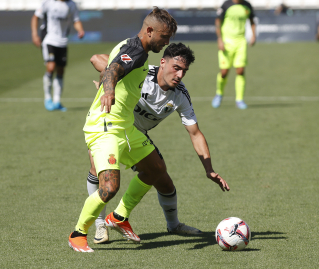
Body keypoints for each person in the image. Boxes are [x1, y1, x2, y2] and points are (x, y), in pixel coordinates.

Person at [87, 43, 230, 244]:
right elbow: (96, 58)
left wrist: (209, 169)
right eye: (176, 68)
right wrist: (109, 78)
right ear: (163, 62)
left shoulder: (180, 95)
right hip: (109, 125)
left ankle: (173, 225)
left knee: (163, 179)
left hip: (136, 135)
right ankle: (100, 223)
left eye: (184, 71)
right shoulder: (140, 72)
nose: (180, 75)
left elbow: (195, 133)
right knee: (98, 170)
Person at [68, 7, 178, 253]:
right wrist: (108, 89)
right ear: (149, 30)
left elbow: (109, 65)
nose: (167, 42)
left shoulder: (134, 47)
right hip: (106, 126)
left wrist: (109, 83)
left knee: (156, 169)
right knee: (109, 187)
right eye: (164, 36)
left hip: (124, 126)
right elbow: (114, 68)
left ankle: (119, 217)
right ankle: (78, 233)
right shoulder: (136, 50)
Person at [31, 0, 85, 111]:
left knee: (60, 70)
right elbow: (36, 17)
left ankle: (57, 101)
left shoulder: (71, 4)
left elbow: (76, 20)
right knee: (51, 67)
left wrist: (80, 30)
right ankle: (47, 98)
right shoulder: (48, 1)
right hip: (49, 39)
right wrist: (35, 35)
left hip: (62, 41)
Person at [212, 0, 256, 110]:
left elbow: (252, 21)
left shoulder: (247, 5)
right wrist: (220, 39)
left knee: (240, 71)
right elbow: (218, 21)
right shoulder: (226, 5)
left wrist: (253, 36)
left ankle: (239, 99)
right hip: (227, 42)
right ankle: (219, 94)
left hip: (241, 42)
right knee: (224, 72)